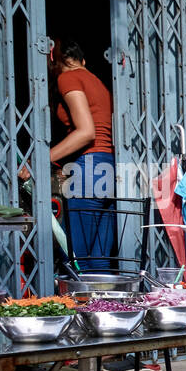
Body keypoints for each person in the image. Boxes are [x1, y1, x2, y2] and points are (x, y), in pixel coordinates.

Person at [21, 39, 116, 271]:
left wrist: (36, 161)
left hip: (89, 169)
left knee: (74, 257)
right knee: (98, 259)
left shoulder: (68, 78)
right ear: (83, 60)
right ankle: (102, 307)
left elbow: (86, 132)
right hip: (109, 168)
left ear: (52, 58)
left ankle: (74, 307)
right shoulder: (98, 82)